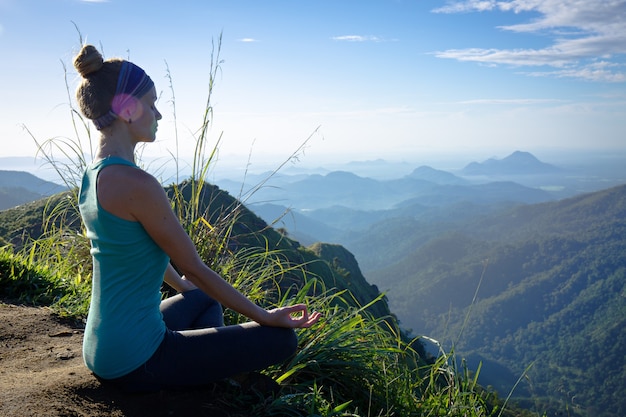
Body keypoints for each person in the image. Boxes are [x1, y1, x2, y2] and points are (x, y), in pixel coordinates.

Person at [73, 44, 320, 393]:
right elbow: (196, 269)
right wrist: (265, 316)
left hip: (101, 348)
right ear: (127, 108)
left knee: (202, 298)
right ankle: (202, 377)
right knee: (282, 341)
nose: (158, 114)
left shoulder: (94, 175)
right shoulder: (139, 184)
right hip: (137, 359)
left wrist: (185, 289)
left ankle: (201, 366)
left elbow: (136, 250)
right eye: (152, 103)